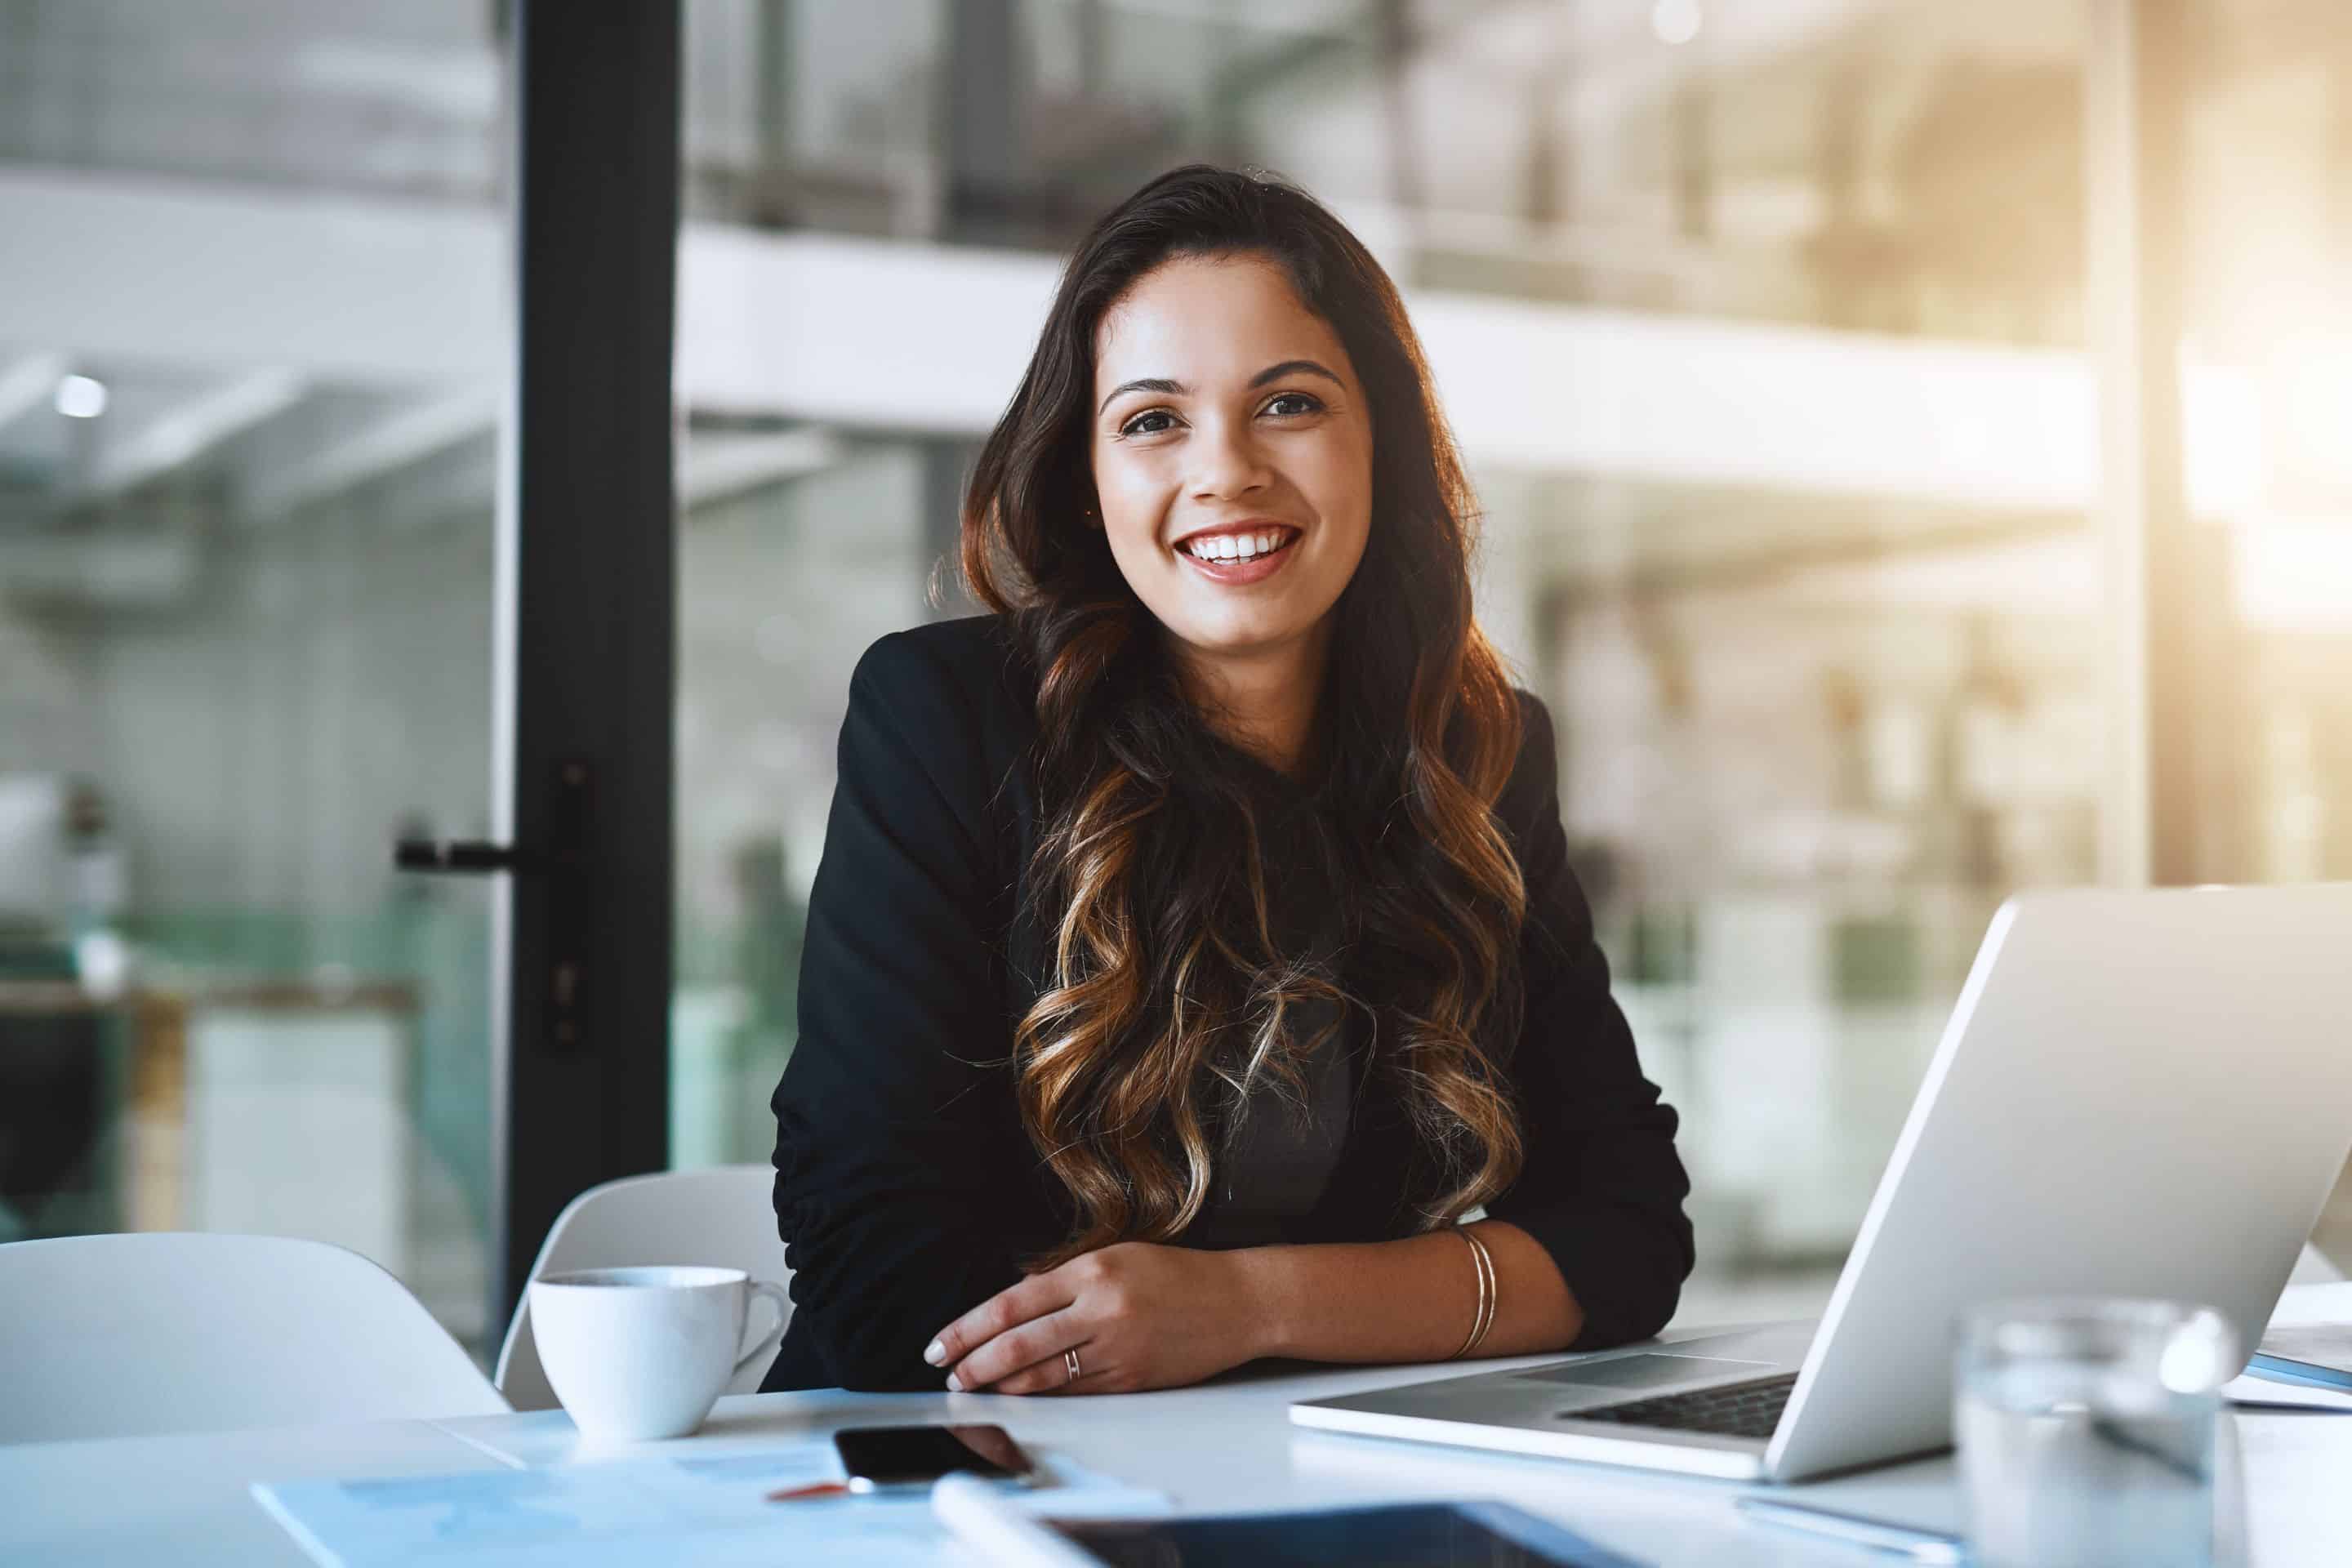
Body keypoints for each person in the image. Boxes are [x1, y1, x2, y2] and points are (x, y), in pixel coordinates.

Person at [764, 165, 1691, 1396]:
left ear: (1383, 444)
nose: (1227, 472)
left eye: (1289, 404)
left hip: (1318, 1471)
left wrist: (1248, 1306)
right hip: (962, 1487)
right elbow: (877, 1273)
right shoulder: (945, 718)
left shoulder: (1478, 748)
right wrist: (1410, 1301)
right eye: (1153, 421)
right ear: (1089, 483)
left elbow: (1626, 1235)